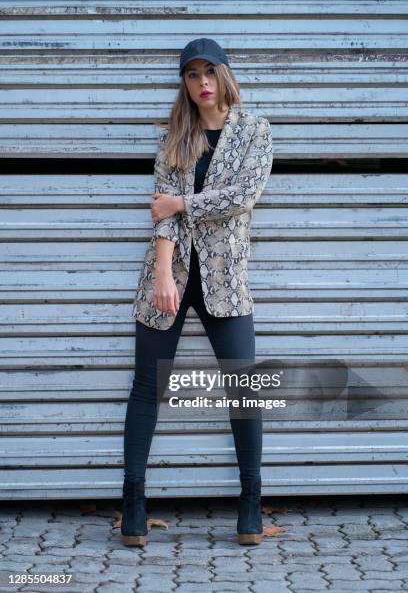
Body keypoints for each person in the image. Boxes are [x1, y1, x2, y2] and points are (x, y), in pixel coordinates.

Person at [121, 38, 274, 548]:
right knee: (147, 386)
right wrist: (163, 276)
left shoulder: (255, 131)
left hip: (226, 278)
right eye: (192, 74)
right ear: (184, 83)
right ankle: (134, 507)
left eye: (210, 71)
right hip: (170, 274)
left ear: (225, 75)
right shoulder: (175, 137)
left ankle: (250, 506)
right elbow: (159, 218)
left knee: (245, 389)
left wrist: (181, 203)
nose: (202, 81)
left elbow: (241, 198)